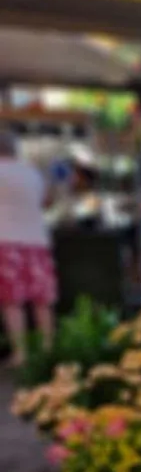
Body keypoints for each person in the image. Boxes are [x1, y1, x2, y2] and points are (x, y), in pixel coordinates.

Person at [0, 128, 56, 363]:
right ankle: (47, 349)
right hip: (37, 241)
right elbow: (46, 202)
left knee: (13, 302)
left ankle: (21, 353)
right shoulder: (32, 172)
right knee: (41, 301)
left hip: (6, 241)